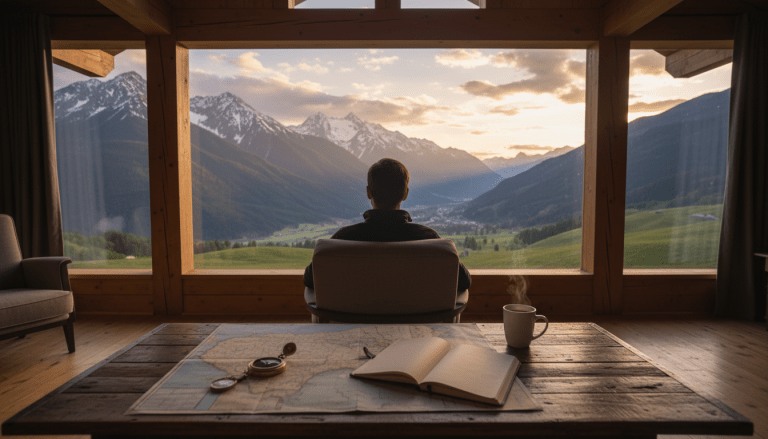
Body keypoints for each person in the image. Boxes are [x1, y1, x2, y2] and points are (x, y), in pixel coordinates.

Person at [303, 158, 471, 292]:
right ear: (405, 193)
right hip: (415, 326)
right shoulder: (428, 239)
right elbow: (464, 281)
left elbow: (310, 279)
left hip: (354, 325)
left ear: (369, 192)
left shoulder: (343, 239)